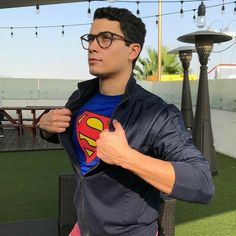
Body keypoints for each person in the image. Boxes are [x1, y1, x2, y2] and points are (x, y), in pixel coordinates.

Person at [39, 7, 214, 236]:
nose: (92, 46)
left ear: (133, 50)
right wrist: (45, 126)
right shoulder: (80, 97)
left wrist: (126, 157)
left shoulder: (158, 114)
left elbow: (202, 183)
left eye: (105, 39)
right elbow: (68, 134)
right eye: (91, 38)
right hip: (83, 227)